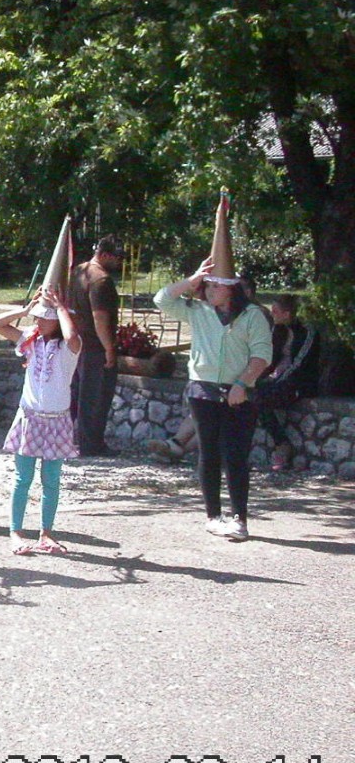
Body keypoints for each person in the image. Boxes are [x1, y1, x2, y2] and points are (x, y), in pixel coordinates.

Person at [154, 193, 272, 541]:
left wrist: (243, 383)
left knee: (235, 454)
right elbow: (162, 299)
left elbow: (262, 355)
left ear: (229, 288)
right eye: (205, 286)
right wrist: (190, 280)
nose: (207, 291)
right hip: (203, 390)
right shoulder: (198, 310)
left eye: (212, 286)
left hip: (239, 393)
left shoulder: (253, 316)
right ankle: (212, 515)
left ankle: (239, 518)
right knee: (208, 453)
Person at [0, 289, 82, 554]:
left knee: (51, 480)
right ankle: (16, 532)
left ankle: (46, 533)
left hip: (57, 419)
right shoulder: (30, 340)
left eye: (44, 317)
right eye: (36, 317)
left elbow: (72, 337)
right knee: (23, 478)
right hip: (29, 417)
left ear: (57, 320)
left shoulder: (68, 348)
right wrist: (25, 310)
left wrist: (61, 308)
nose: (37, 321)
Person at [69, 235, 123, 456]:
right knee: (96, 398)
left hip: (77, 344)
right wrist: (109, 348)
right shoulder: (101, 280)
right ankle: (91, 444)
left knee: (76, 395)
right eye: (117, 257)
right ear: (105, 255)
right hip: (94, 347)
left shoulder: (78, 271)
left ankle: (67, 437)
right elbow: (100, 317)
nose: (119, 262)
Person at [256, 294, 319, 471]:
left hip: (299, 382)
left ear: (287, 314)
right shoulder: (278, 330)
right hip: (278, 378)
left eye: (276, 311)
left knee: (263, 398)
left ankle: (282, 445)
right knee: (254, 395)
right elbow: (269, 357)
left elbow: (299, 363)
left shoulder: (306, 332)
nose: (272, 314)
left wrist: (277, 381)